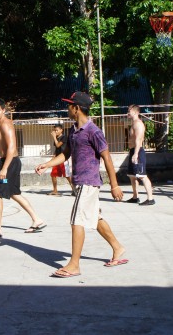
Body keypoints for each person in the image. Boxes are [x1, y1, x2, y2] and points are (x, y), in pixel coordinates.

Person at [35, 92, 127, 277]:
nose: (67, 108)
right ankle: (118, 248)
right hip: (79, 183)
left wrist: (114, 185)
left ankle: (74, 264)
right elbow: (65, 154)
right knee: (95, 218)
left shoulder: (94, 131)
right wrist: (47, 164)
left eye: (69, 105)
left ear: (76, 108)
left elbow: (107, 158)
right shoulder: (73, 130)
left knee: (77, 220)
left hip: (89, 182)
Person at [0, 98, 46, 237]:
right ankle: (37, 220)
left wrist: (4, 168)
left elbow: (12, 147)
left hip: (9, 162)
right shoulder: (1, 124)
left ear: (4, 110)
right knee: (14, 193)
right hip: (10, 161)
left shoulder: (5, 124)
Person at [126, 104, 155, 206]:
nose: (127, 112)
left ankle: (150, 198)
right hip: (133, 150)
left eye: (129, 110)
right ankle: (135, 197)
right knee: (132, 176)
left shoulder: (138, 124)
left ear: (135, 112)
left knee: (142, 176)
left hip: (137, 151)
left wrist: (136, 154)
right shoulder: (133, 123)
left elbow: (138, 140)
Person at [48, 124, 75, 196]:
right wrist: (53, 158)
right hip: (57, 159)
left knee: (67, 175)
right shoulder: (56, 138)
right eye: (55, 130)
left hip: (63, 158)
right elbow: (56, 149)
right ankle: (55, 190)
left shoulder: (64, 137)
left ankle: (74, 189)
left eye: (57, 130)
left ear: (61, 130)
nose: (55, 132)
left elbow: (58, 145)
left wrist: (54, 137)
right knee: (53, 174)